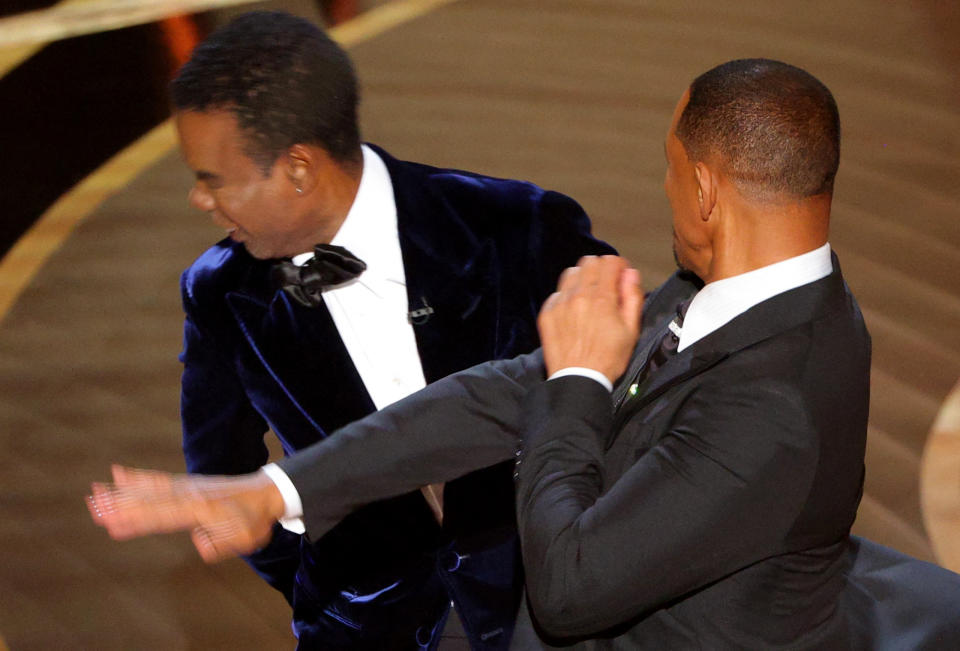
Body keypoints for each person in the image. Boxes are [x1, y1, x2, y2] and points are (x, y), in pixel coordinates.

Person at [90, 59, 960, 648]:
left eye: (669, 169)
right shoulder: (739, 286)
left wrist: (580, 377)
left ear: (704, 188)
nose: (662, 189)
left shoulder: (775, 404)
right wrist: (277, 488)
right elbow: (506, 393)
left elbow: (571, 583)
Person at [152, 10, 614, 651]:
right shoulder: (218, 292)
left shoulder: (519, 225)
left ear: (298, 168)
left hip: (551, 611)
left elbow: (627, 394)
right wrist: (326, 588)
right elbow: (223, 470)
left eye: (212, 178)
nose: (199, 200)